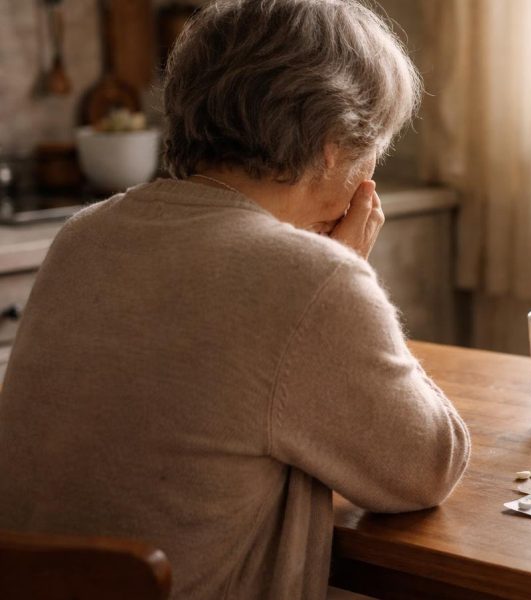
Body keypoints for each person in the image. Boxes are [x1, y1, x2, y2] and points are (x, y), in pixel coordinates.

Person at [0, 1, 470, 598]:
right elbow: (427, 467)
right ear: (332, 143)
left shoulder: (83, 235)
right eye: (372, 143)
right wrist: (348, 270)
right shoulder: (309, 280)